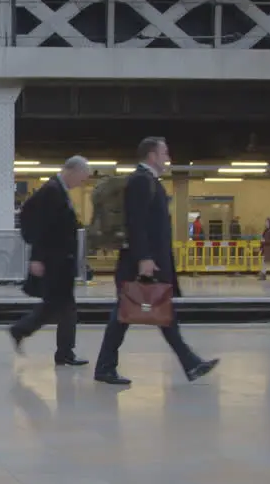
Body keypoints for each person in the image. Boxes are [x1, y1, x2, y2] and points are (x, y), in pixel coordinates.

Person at [93, 137, 220, 386]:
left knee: (150, 314)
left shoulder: (148, 181)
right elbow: (136, 222)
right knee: (130, 315)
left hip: (148, 261)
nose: (168, 158)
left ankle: (190, 363)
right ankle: (189, 363)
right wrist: (144, 258)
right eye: (165, 153)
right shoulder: (141, 181)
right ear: (152, 155)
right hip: (142, 263)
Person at [9, 156, 92, 365]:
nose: (81, 183)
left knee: (61, 306)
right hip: (55, 259)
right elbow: (41, 226)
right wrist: (37, 257)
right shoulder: (52, 191)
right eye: (82, 177)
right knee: (59, 306)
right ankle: (23, 330)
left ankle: (62, 351)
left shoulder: (58, 190)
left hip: (61, 260)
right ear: (72, 171)